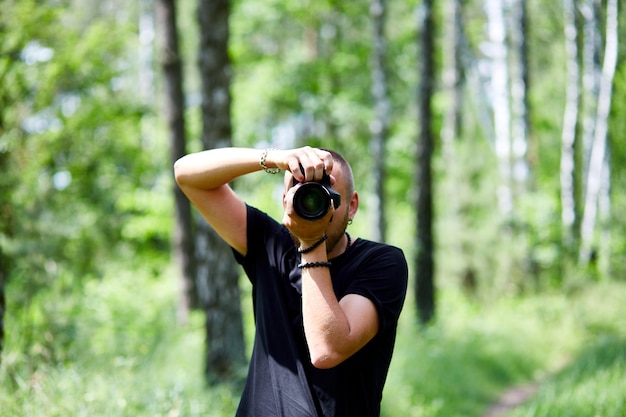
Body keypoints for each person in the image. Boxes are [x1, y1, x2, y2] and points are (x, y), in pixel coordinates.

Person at [174, 146, 408, 417]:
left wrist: (311, 242)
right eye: (303, 193)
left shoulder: (381, 262)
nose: (315, 204)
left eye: (328, 196)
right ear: (286, 199)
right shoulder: (269, 243)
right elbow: (186, 174)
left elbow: (327, 350)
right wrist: (274, 158)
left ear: (352, 206)